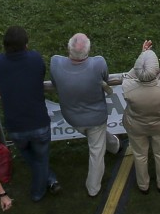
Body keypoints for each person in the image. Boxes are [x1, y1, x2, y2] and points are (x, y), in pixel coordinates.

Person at [0, 25, 58, 200]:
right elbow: (40, 75)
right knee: (41, 159)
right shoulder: (35, 59)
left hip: (15, 126)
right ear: (25, 44)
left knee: (30, 155)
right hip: (38, 123)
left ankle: (50, 178)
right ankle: (38, 192)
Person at [52, 32, 122, 196]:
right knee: (96, 151)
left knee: (97, 137)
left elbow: (55, 83)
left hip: (72, 117)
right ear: (88, 51)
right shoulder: (98, 63)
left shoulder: (55, 62)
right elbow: (105, 77)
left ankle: (115, 146)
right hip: (95, 119)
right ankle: (93, 188)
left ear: (68, 48)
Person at [121, 44, 160, 193]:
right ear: (155, 69)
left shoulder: (127, 87)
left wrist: (141, 61)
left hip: (136, 126)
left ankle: (143, 186)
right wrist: (153, 66)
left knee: (139, 155)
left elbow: (128, 76)